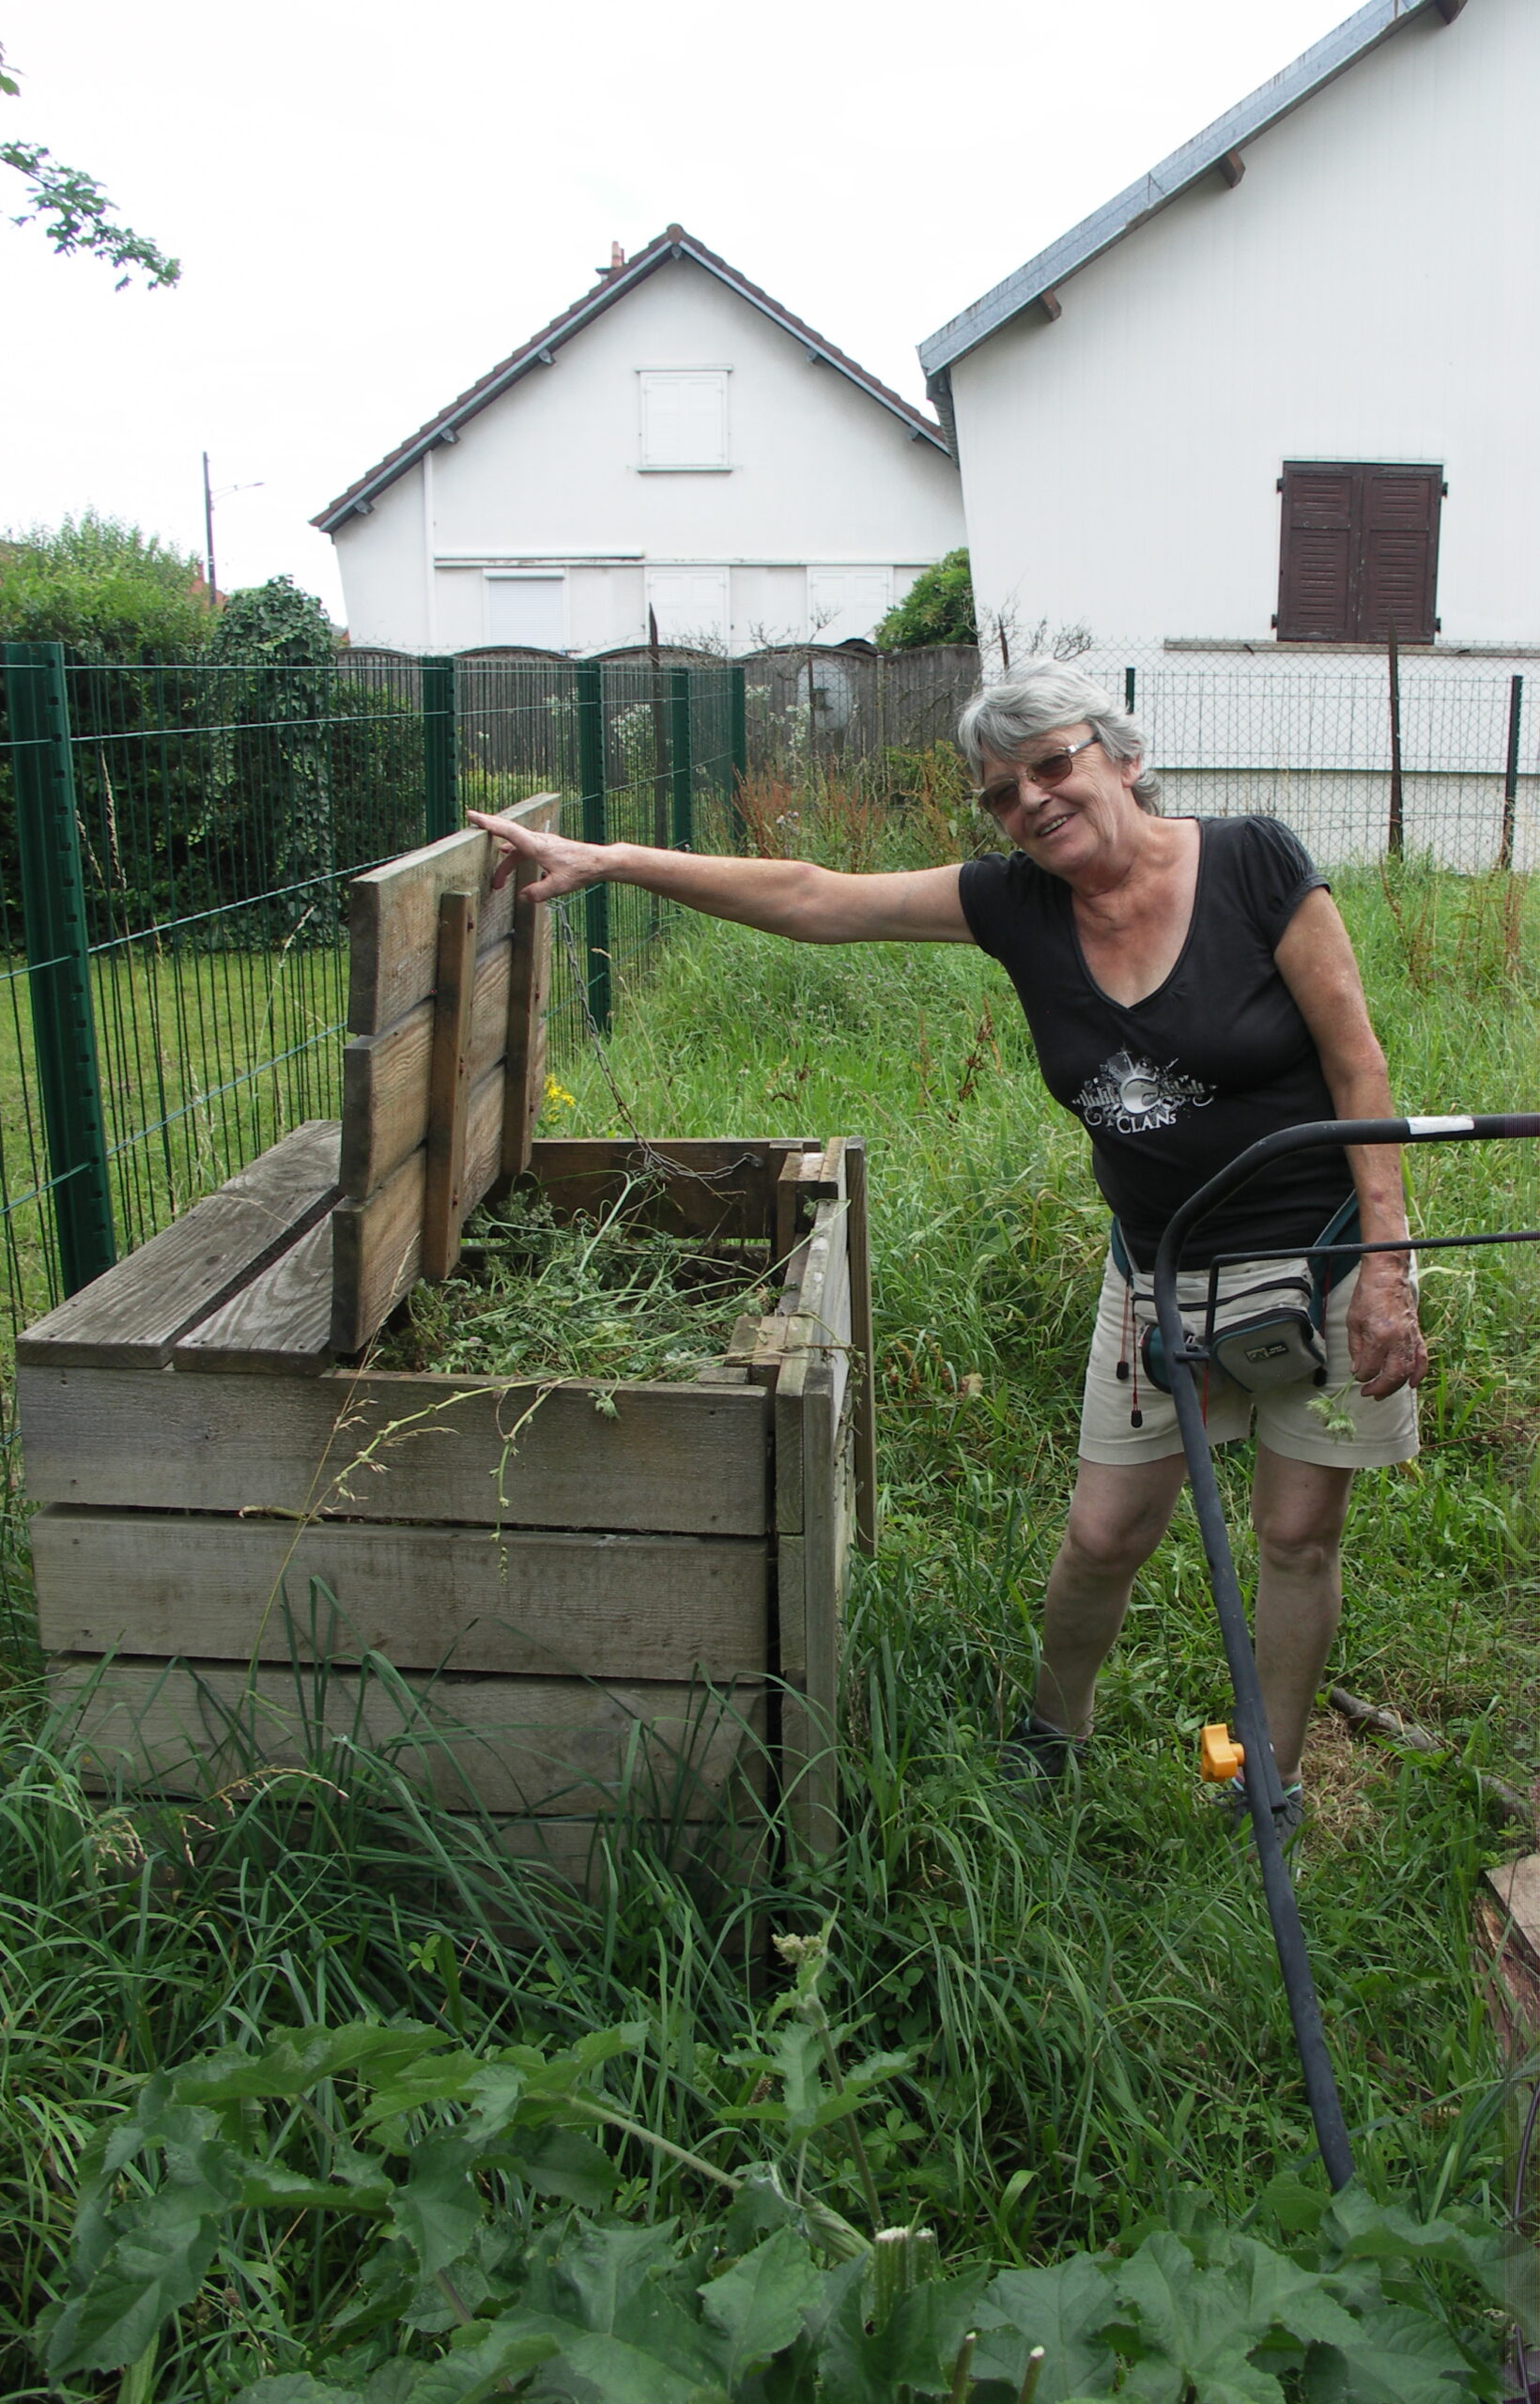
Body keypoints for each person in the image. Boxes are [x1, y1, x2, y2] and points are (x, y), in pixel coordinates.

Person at [467, 658, 1424, 1826]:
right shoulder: (1015, 904)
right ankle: (1050, 1738)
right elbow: (817, 896)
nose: (1031, 801)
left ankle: (1268, 1775)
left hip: (1322, 1250)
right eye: (1001, 793)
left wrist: (1386, 1263)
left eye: (1053, 765)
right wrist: (614, 862)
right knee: (1102, 1531)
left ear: (1121, 758)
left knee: (1294, 1533)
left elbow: (1358, 1060)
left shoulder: (1255, 864)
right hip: (1158, 1270)